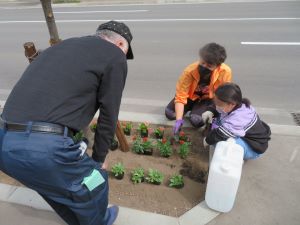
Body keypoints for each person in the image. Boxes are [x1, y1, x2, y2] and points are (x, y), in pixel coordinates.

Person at [0, 20, 133, 225]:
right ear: (121, 45)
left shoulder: (62, 46)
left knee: (51, 186)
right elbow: (109, 113)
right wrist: (99, 159)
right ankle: (102, 220)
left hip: (4, 141)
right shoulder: (115, 55)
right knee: (95, 182)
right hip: (41, 149)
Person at [165, 43, 232, 135]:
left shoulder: (225, 72)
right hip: (191, 96)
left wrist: (216, 119)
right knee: (170, 113)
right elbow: (181, 96)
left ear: (217, 66)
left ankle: (198, 111)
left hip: (207, 100)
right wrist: (179, 121)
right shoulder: (190, 71)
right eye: (202, 62)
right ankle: (192, 107)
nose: (204, 66)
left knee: (196, 121)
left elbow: (222, 97)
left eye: (209, 66)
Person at [203, 83, 271, 160]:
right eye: (216, 102)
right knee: (219, 123)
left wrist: (207, 140)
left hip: (253, 148)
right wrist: (210, 111)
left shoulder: (240, 117)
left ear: (231, 104)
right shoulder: (235, 105)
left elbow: (220, 134)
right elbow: (217, 106)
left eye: (219, 104)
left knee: (222, 144)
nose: (217, 105)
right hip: (246, 136)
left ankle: (235, 159)